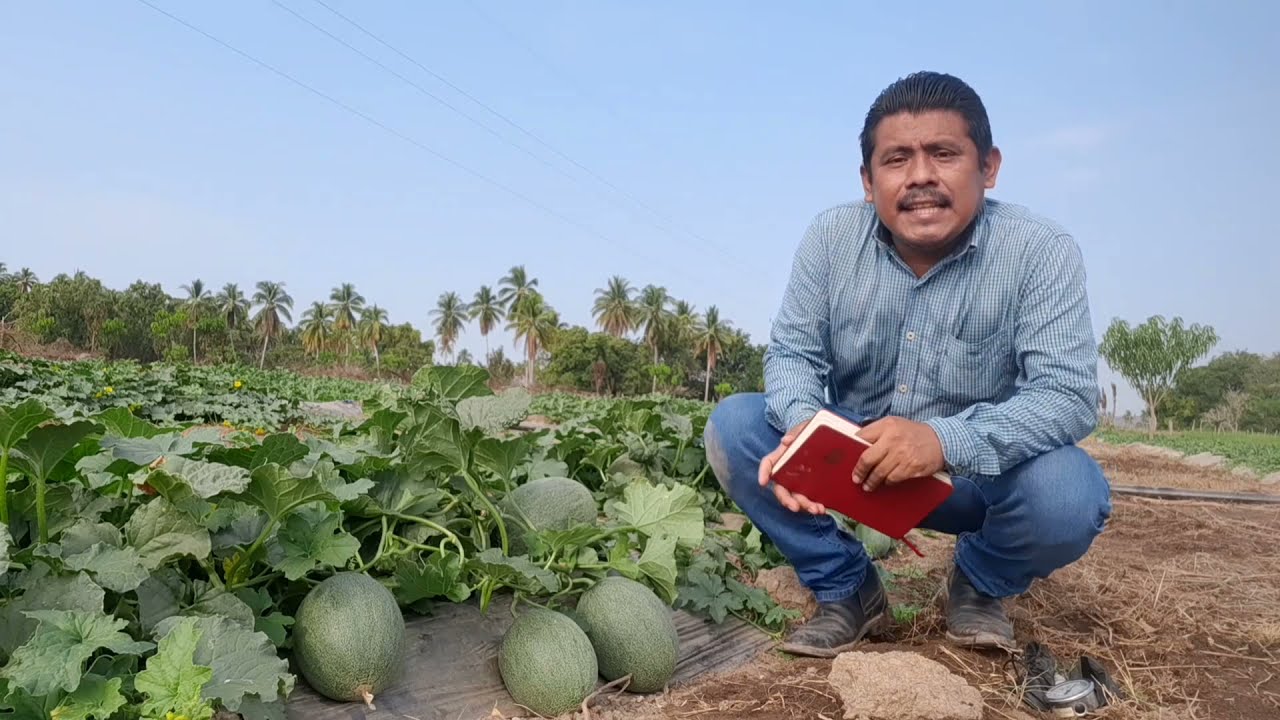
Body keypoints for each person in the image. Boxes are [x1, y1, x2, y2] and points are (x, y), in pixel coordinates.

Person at [703, 71, 1112, 658]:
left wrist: (942, 440)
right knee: (736, 429)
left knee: (1069, 493)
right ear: (869, 182)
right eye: (897, 159)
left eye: (944, 153)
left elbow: (1067, 396)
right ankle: (848, 589)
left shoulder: (1039, 251)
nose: (920, 176)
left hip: (971, 480)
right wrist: (802, 433)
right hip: (854, 465)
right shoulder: (830, 239)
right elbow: (793, 354)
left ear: (988, 168)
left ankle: (979, 582)